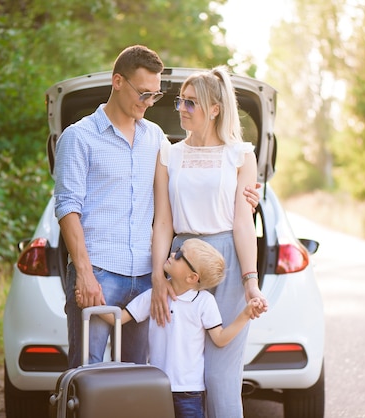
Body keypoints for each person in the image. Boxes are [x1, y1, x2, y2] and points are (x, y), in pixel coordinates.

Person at [53, 45, 261, 368]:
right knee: (86, 373)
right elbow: (67, 208)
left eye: (154, 95)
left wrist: (247, 194)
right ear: (117, 81)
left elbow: (192, 180)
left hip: (148, 280)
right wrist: (83, 273)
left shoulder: (156, 139)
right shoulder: (79, 137)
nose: (148, 102)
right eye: (143, 93)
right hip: (99, 273)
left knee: (139, 381)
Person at [150, 66, 269, 418]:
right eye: (180, 102)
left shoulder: (240, 154)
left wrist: (251, 282)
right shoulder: (168, 154)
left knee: (220, 374)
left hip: (227, 261)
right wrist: (159, 277)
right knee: (178, 370)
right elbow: (163, 222)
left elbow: (242, 222)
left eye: (191, 103)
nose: (182, 109)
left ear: (215, 108)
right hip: (181, 264)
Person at [78, 238, 264, 418]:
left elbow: (220, 338)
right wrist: (91, 303)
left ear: (192, 277)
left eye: (180, 254)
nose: (173, 253)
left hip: (190, 391)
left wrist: (245, 315)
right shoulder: (154, 295)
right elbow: (118, 318)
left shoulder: (204, 302)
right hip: (157, 386)